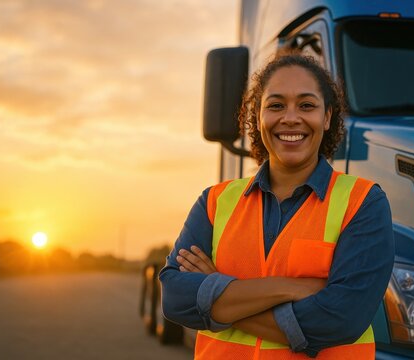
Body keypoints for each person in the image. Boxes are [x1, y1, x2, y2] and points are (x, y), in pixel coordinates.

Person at [159, 54, 394, 359]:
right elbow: (176, 299)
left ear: (327, 117)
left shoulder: (363, 203)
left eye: (306, 105)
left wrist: (216, 296)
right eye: (276, 105)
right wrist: (289, 288)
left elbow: (339, 320)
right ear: (257, 116)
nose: (291, 118)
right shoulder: (215, 201)